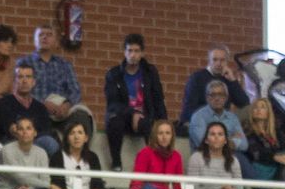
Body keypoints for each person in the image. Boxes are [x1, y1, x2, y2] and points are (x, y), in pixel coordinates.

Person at [102, 33, 169, 171]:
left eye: (136, 51)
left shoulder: (150, 72)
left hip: (145, 118)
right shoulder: (114, 74)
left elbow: (158, 99)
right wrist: (132, 113)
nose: (133, 55)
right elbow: (112, 103)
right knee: (114, 122)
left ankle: (155, 164)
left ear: (142, 53)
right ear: (124, 52)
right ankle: (116, 163)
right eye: (129, 51)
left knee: (151, 125)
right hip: (122, 117)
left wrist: (164, 123)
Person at [16, 26, 93, 139]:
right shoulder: (23, 63)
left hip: (63, 111)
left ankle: (82, 155)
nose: (45, 37)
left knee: (81, 118)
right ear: (34, 40)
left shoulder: (65, 65)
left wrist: (67, 105)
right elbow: (20, 90)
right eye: (41, 35)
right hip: (35, 111)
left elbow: (75, 90)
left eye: (49, 34)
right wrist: (42, 104)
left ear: (55, 41)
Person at [187, 80, 253, 179]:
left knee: (240, 157)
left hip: (228, 155)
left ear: (226, 97)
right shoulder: (198, 117)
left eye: (220, 94)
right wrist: (230, 139)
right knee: (237, 157)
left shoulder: (232, 118)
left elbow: (244, 144)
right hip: (205, 156)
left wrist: (220, 141)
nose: (217, 98)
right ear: (207, 98)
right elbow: (203, 143)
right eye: (212, 95)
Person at [178, 44, 248, 130]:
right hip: (199, 123)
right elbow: (189, 109)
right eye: (215, 60)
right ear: (209, 61)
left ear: (227, 62)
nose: (218, 63)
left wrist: (233, 81)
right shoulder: (197, 78)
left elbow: (244, 104)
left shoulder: (228, 79)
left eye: (222, 60)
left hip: (221, 125)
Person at [0, 65, 57, 155]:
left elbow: (45, 132)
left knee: (50, 143)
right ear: (14, 82)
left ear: (33, 82)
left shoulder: (40, 108)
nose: (24, 80)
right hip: (12, 143)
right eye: (20, 77)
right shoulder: (4, 103)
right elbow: (11, 130)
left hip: (36, 145)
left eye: (28, 77)